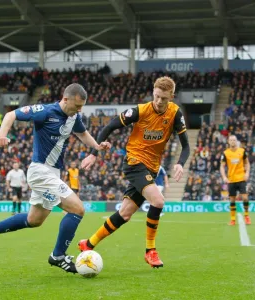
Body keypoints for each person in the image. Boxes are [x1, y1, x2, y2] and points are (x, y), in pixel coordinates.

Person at [0, 83, 110, 274]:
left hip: (52, 173)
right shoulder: (44, 111)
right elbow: (10, 115)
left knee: (35, 220)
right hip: (41, 172)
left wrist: (97, 147)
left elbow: (82, 133)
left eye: (81, 106)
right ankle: (58, 256)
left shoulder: (74, 115)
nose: (79, 110)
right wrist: (2, 135)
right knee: (77, 209)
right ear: (65, 99)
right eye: (77, 106)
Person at [78, 76, 190, 268]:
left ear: (171, 96)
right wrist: (94, 153)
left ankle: (88, 243)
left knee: (125, 214)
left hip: (152, 168)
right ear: (153, 92)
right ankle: (150, 251)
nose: (159, 101)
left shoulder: (175, 113)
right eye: (156, 96)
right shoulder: (140, 110)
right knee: (158, 201)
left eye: (164, 98)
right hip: (134, 162)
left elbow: (186, 145)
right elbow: (110, 125)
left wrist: (180, 163)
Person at [220, 135, 251, 226]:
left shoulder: (242, 151)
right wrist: (224, 177)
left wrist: (247, 173)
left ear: (236, 141)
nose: (233, 141)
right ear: (228, 142)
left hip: (241, 178)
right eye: (231, 140)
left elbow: (247, 163)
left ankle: (246, 216)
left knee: (245, 198)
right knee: (232, 200)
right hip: (231, 180)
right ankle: (233, 219)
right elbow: (222, 166)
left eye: (234, 140)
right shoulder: (225, 153)